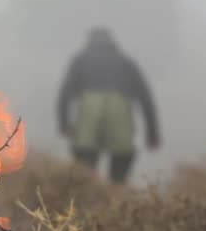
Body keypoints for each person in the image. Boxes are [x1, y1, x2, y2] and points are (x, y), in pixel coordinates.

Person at [57, 26, 160, 184]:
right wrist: (152, 134)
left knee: (85, 160)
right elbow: (145, 97)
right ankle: (115, 193)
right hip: (120, 108)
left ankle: (88, 193)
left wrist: (64, 124)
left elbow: (65, 93)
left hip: (89, 109)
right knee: (122, 158)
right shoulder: (126, 62)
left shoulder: (80, 60)